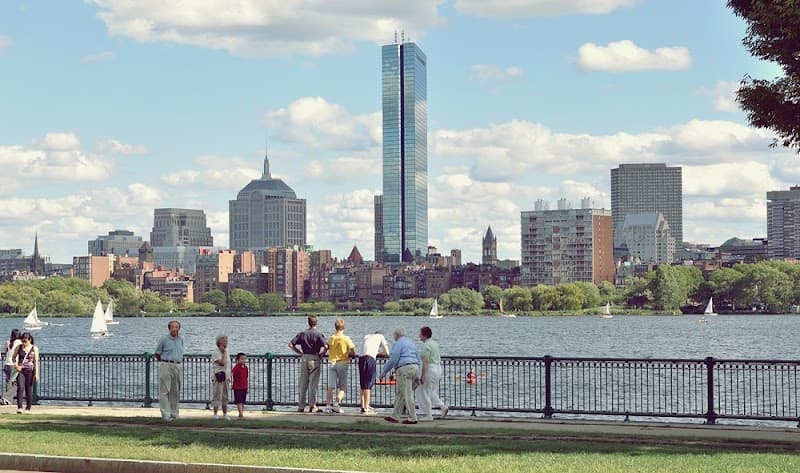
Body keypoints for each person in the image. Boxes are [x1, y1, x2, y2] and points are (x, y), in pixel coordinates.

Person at [379, 327, 420, 425]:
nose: (393, 337)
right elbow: (419, 358)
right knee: (401, 393)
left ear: (397, 335)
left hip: (404, 369)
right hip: (415, 367)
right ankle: (395, 415)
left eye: (394, 335)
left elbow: (393, 359)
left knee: (407, 394)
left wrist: (384, 372)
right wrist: (419, 374)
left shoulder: (398, 343)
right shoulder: (411, 343)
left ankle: (413, 417)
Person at [288, 315, 327, 413]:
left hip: (304, 358)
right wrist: (322, 354)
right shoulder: (318, 334)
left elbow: (290, 344)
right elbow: (326, 346)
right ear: (316, 323)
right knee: (313, 384)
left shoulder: (302, 333)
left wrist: (299, 352)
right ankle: (312, 406)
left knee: (303, 384)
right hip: (314, 358)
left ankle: (301, 407)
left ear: (308, 322)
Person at [154, 320, 184, 421]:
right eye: (173, 327)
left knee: (175, 391)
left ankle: (174, 412)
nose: (175, 329)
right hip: (166, 364)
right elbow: (157, 353)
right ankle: (165, 414)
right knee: (165, 391)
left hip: (178, 365)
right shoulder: (164, 339)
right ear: (169, 328)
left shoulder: (181, 339)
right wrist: (164, 362)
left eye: (177, 327)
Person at [416, 326, 448, 421]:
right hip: (438, 368)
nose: (419, 335)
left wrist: (422, 376)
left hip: (430, 369)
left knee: (425, 392)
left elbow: (425, 361)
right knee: (431, 391)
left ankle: (429, 415)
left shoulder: (425, 346)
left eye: (420, 334)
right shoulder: (434, 343)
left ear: (424, 335)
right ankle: (442, 407)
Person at [324, 319, 355, 414]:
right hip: (343, 362)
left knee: (330, 386)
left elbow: (326, 348)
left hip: (332, 362)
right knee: (342, 387)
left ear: (335, 327)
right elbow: (352, 350)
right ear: (344, 327)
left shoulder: (331, 338)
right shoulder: (346, 338)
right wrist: (350, 354)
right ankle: (336, 404)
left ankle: (328, 406)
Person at [358, 331, 390, 414]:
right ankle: (366, 407)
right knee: (368, 384)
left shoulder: (366, 336)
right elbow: (387, 352)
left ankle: (362, 406)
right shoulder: (381, 336)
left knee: (362, 384)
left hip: (361, 359)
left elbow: (361, 351)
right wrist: (378, 353)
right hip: (370, 359)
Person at [13, 332, 39, 414]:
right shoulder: (19, 347)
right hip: (20, 370)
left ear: (30, 340)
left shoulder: (34, 348)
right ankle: (20, 407)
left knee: (29, 389)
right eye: (22, 341)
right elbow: (13, 358)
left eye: (25, 341)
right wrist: (16, 365)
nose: (24, 343)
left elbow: (36, 362)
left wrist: (36, 373)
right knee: (20, 387)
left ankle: (28, 407)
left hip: (30, 370)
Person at [210, 334, 231, 420]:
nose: (225, 343)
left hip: (226, 376)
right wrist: (224, 353)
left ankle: (225, 413)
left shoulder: (226, 352)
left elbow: (228, 364)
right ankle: (215, 413)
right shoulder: (216, 352)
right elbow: (221, 363)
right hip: (218, 376)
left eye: (226, 341)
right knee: (217, 395)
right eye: (223, 341)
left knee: (225, 395)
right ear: (219, 342)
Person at [2, 329, 21, 405]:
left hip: (7, 364)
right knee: (17, 383)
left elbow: (4, 351)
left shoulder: (8, 342)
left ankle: (8, 401)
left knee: (9, 383)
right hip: (14, 364)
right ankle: (6, 397)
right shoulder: (20, 342)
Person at [231, 352, 248, 419]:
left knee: (243, 401)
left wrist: (247, 387)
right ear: (237, 360)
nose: (243, 360)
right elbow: (232, 373)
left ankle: (241, 413)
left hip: (244, 386)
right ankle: (240, 414)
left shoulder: (246, 368)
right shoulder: (236, 367)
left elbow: (246, 377)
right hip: (237, 387)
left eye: (244, 359)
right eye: (242, 359)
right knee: (239, 401)